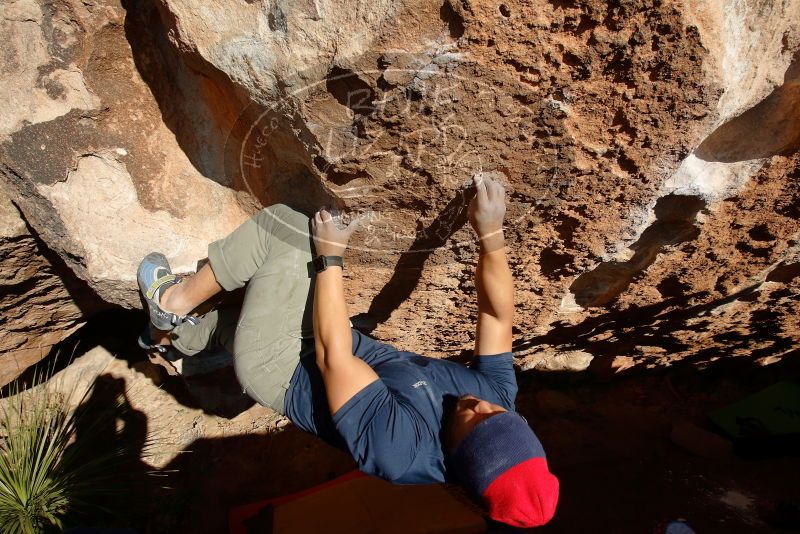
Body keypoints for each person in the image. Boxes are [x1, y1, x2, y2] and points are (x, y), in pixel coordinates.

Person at [137, 173, 559, 528]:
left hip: (280, 365)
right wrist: (490, 232)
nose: (479, 404)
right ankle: (177, 338)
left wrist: (330, 259)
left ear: (460, 455)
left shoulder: (402, 452)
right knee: (233, 322)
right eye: (498, 413)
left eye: (477, 422)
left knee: (284, 229)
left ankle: (171, 302)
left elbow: (332, 354)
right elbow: (497, 317)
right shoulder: (497, 400)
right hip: (325, 344)